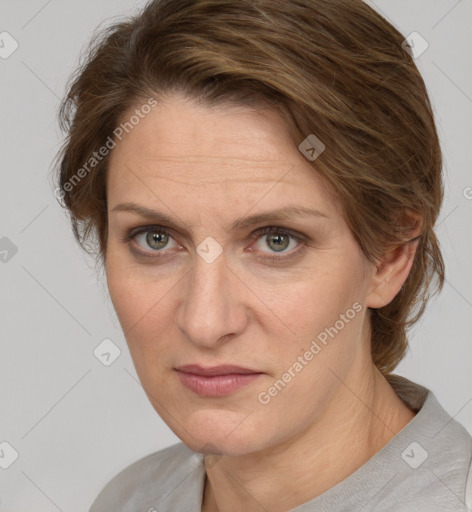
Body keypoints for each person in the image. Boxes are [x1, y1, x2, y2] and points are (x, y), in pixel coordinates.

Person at [53, 0, 472, 510]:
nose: (204, 322)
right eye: (155, 238)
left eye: (277, 240)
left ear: (389, 258)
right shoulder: (128, 500)